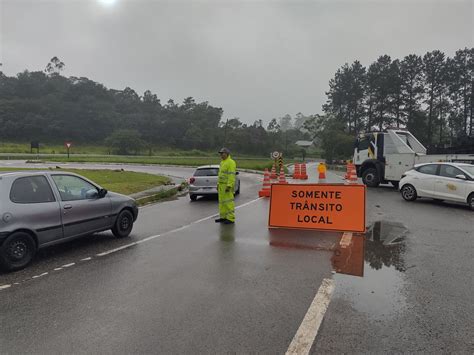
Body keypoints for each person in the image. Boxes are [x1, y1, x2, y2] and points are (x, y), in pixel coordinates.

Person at [215, 147, 236, 224]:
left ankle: (230, 218)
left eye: (222, 153)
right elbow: (220, 174)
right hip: (221, 186)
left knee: (228, 202)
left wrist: (229, 185)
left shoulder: (231, 162)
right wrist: (218, 184)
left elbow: (231, 175)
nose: (221, 155)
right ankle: (223, 217)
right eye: (220, 154)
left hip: (227, 186)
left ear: (227, 154)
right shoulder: (222, 162)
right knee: (222, 202)